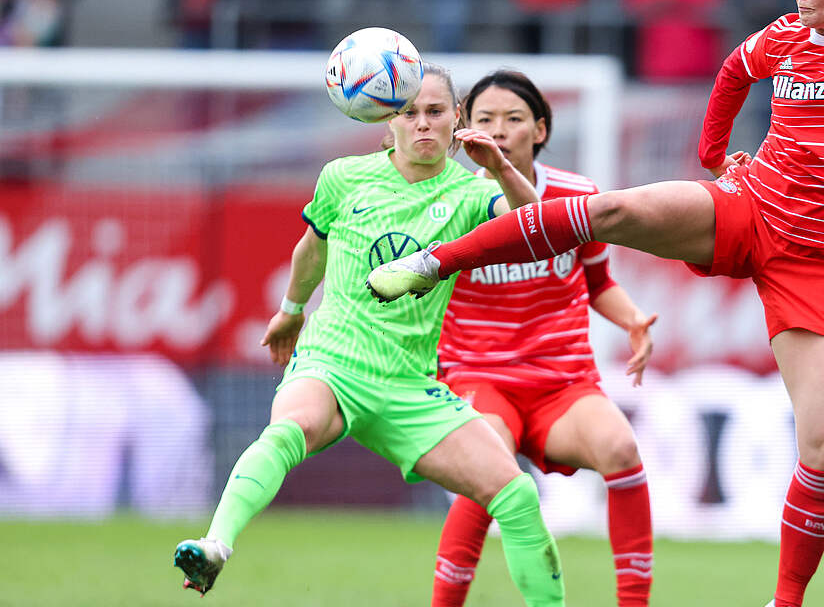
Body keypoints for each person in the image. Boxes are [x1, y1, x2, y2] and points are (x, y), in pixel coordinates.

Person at [370, 0, 824, 607]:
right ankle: (433, 264)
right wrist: (716, 159)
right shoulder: (786, 36)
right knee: (611, 210)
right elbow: (729, 71)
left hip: (816, 261)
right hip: (747, 208)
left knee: (822, 447)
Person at [173, 63, 566, 607]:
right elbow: (313, 248)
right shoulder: (343, 176)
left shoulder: (472, 193)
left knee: (517, 494)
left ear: (457, 120)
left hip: (408, 384)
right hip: (332, 359)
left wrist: (498, 166)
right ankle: (215, 545)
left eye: (436, 112)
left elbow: (546, 230)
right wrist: (290, 310)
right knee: (292, 426)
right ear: (388, 120)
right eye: (410, 112)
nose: (424, 124)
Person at [430, 70, 657, 607]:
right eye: (485, 119)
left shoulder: (578, 196)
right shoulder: (446, 202)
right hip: (478, 379)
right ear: (465, 129)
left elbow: (597, 282)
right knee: (488, 467)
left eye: (513, 120)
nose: (499, 130)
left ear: (540, 128)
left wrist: (631, 321)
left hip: (562, 383)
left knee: (621, 449)